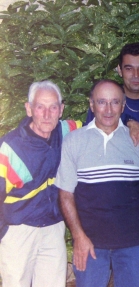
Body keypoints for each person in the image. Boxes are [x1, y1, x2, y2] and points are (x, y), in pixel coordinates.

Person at [56, 80, 139, 287]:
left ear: (123, 106)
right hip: (90, 243)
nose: (108, 109)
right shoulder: (74, 141)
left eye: (115, 102)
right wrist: (78, 237)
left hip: (132, 242)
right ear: (91, 104)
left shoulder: (138, 140)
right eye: (101, 102)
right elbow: (65, 194)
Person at [0, 80, 81, 287]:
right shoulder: (10, 147)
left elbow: (101, 119)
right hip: (18, 230)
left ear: (61, 110)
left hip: (53, 228)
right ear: (29, 109)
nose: (47, 114)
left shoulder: (67, 132)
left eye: (53, 107)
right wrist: (5, 234)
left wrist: (134, 124)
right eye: (40, 107)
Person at [86, 43, 139, 153]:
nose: (135, 75)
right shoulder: (102, 105)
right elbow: (89, 143)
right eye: (129, 68)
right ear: (119, 70)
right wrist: (130, 123)